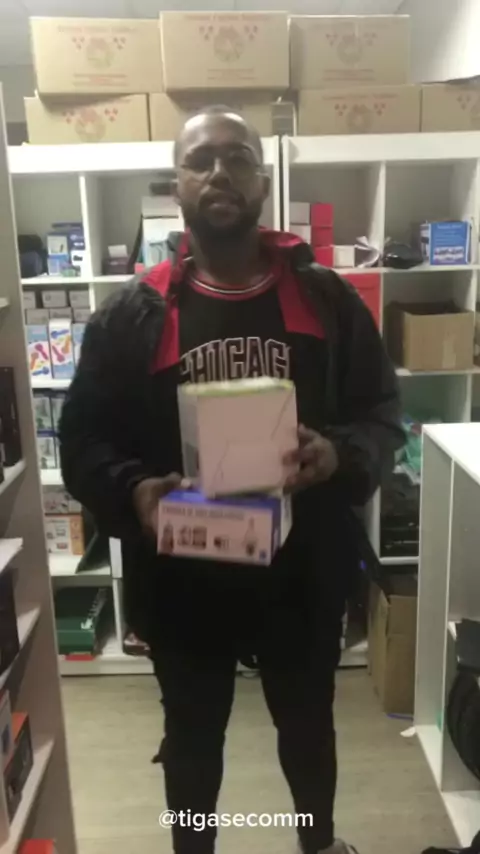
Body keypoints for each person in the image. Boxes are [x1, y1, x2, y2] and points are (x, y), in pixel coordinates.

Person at [59, 106, 404, 854]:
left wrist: (339, 454)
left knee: (308, 729)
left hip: (301, 573)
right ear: (177, 182)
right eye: (201, 159)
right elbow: (81, 441)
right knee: (191, 742)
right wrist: (135, 490)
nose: (220, 172)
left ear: (263, 180)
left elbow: (382, 413)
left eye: (238, 157)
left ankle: (318, 843)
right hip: (184, 581)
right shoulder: (131, 316)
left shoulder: (327, 301)